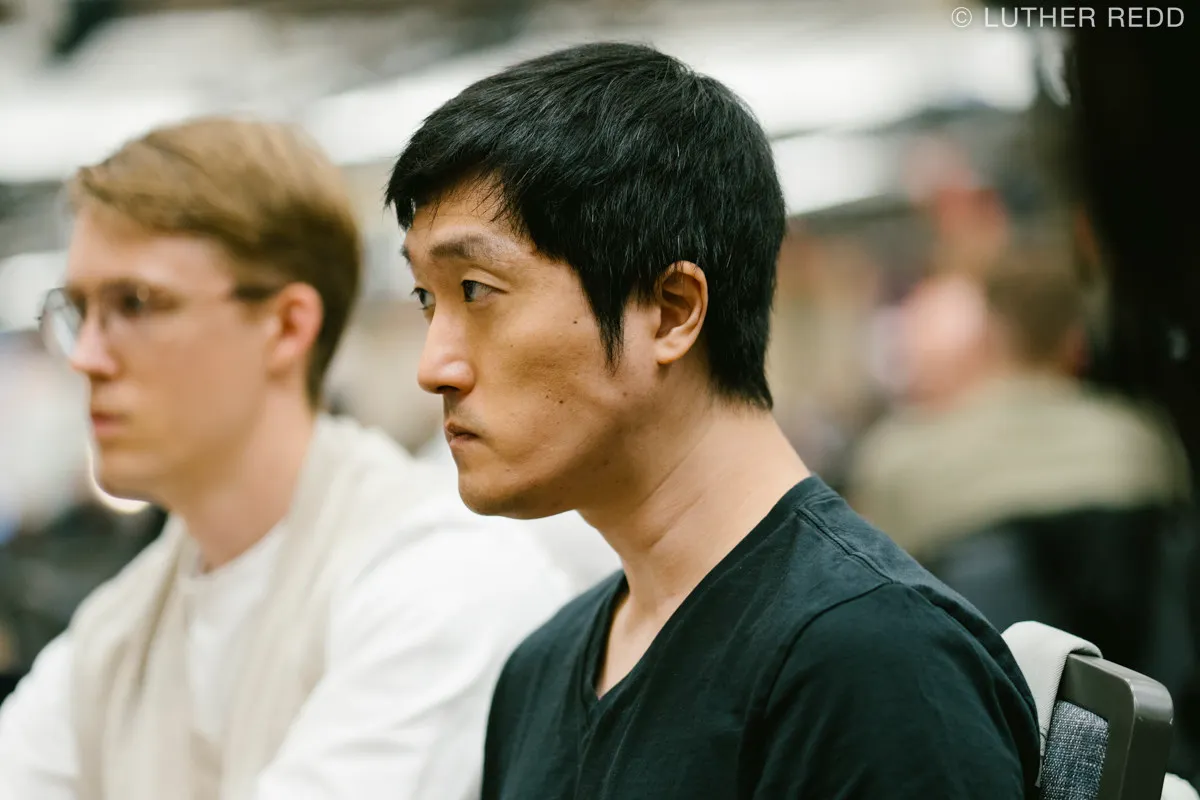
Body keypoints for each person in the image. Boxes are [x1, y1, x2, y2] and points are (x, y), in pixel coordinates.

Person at [386, 42, 1040, 798]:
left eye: (475, 289)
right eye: (427, 299)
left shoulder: (871, 662)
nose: (434, 366)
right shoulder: (540, 672)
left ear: (671, 311)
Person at [0, 116, 570, 800]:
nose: (87, 357)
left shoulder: (441, 576)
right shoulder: (117, 634)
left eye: (134, 304)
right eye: (78, 311)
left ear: (287, 325)